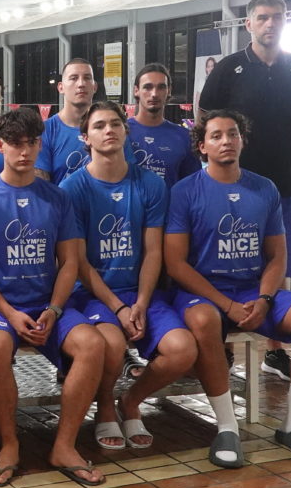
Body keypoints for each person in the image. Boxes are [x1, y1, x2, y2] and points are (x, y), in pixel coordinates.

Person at [165, 110, 291, 467]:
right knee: (206, 321)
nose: (226, 141)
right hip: (201, 293)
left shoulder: (264, 188)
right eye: (216, 135)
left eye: (233, 134)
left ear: (243, 141)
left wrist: (265, 298)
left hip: (251, 292)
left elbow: (277, 256)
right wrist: (225, 304)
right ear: (202, 147)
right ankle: (227, 427)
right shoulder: (185, 192)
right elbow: (176, 264)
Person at [0, 108, 106, 486]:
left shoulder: (57, 197)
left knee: (92, 345)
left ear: (40, 145)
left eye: (31, 143)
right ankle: (9, 444)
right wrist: (10, 313)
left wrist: (55, 309)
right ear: (0, 146)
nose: (24, 151)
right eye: (15, 144)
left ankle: (64, 445)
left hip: (47, 303)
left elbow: (70, 262)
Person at [199, 0, 291, 380]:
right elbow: (206, 118)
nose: (271, 24)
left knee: (277, 259)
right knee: (223, 255)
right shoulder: (230, 68)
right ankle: (221, 338)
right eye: (263, 17)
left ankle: (274, 347)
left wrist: (284, 152)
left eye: (278, 17)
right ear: (249, 24)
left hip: (282, 181)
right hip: (231, 182)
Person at [60, 102, 196, 451]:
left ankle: (131, 400)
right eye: (99, 126)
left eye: (115, 124)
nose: (109, 130)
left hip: (140, 292)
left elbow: (153, 252)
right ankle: (105, 405)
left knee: (182, 350)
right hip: (91, 294)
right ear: (85, 137)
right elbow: (78, 262)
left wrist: (141, 302)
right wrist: (119, 307)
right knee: (112, 344)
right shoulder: (72, 188)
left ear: (126, 130)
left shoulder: (150, 184)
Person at [128, 63, 201, 188]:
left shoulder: (184, 137)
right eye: (148, 87)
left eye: (161, 87)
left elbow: (192, 186)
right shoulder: (120, 132)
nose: (154, 94)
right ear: (136, 91)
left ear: (169, 91)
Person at [36, 59, 98, 185]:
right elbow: (41, 187)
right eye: (74, 78)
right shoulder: (45, 131)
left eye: (87, 78)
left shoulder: (108, 129)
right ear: (61, 87)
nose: (81, 83)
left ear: (94, 86)